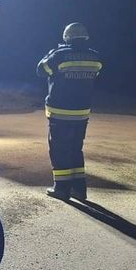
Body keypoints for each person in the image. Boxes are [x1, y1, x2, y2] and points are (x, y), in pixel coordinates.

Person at [37, 22, 103, 200]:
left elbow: (41, 70)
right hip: (82, 112)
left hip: (60, 111)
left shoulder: (60, 55)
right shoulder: (95, 57)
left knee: (59, 150)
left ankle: (61, 188)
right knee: (75, 149)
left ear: (67, 37)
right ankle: (79, 189)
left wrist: (50, 54)